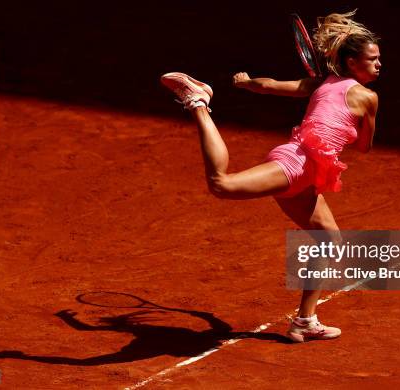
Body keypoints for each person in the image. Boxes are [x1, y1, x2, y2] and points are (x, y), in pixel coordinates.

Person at [160, 10, 380, 342]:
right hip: (299, 164)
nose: (379, 65)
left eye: (379, 59)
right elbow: (364, 145)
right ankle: (198, 101)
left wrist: (247, 82)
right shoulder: (368, 97)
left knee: (329, 240)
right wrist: (360, 120)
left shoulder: (321, 83)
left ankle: (305, 321)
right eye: (372, 59)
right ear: (351, 62)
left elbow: (270, 86)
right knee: (221, 184)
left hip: (308, 173)